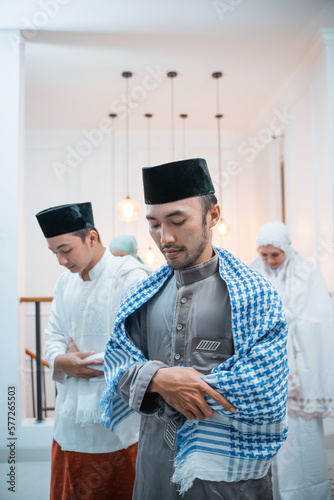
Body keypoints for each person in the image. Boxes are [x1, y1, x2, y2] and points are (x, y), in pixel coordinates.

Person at [100, 158, 289, 500]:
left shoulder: (254, 295)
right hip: (155, 470)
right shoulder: (144, 296)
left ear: (212, 215)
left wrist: (167, 387)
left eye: (177, 221)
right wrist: (159, 379)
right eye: (154, 224)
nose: (164, 237)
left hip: (228, 482)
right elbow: (116, 367)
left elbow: (266, 392)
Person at [36, 202, 150, 500]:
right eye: (54, 254)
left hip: (118, 426)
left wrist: (76, 362)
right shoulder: (64, 284)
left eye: (66, 250)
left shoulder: (129, 277)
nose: (61, 261)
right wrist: (61, 359)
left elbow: (136, 351)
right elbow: (54, 338)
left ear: (92, 237)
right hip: (69, 424)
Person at [251, 220, 334, 500]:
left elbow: (319, 321)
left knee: (305, 443)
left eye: (276, 254)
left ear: (287, 248)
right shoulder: (253, 273)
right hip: (269, 376)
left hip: (302, 378)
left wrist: (289, 320)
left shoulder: (307, 272)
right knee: (273, 449)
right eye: (265, 254)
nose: (270, 260)